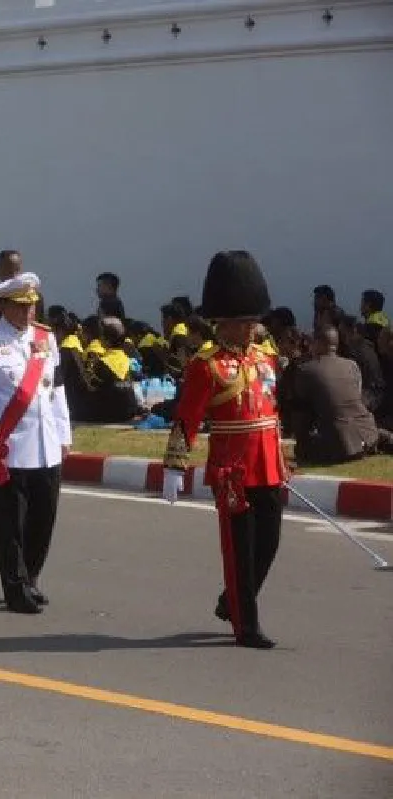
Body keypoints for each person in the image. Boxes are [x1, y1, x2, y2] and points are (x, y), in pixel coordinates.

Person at [162, 251, 286, 650]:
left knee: (269, 542)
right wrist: (174, 466)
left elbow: (271, 410)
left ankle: (231, 602)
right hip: (232, 469)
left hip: (267, 463)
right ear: (224, 323)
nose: (251, 328)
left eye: (254, 320)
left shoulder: (265, 358)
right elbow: (188, 418)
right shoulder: (206, 365)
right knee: (239, 551)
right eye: (243, 321)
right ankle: (245, 625)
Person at [0, 273, 71, 614]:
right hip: (9, 449)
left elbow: (56, 391)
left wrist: (64, 435)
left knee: (44, 519)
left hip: (46, 444)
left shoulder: (46, 339)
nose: (29, 311)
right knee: (12, 525)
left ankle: (32, 578)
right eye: (21, 306)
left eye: (33, 304)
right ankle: (15, 587)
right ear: (4, 306)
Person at [289, 326, 392, 464]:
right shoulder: (352, 366)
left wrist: (301, 442)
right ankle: (381, 438)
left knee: (304, 447)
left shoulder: (306, 370)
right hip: (368, 435)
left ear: (318, 343)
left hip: (341, 445)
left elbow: (301, 414)